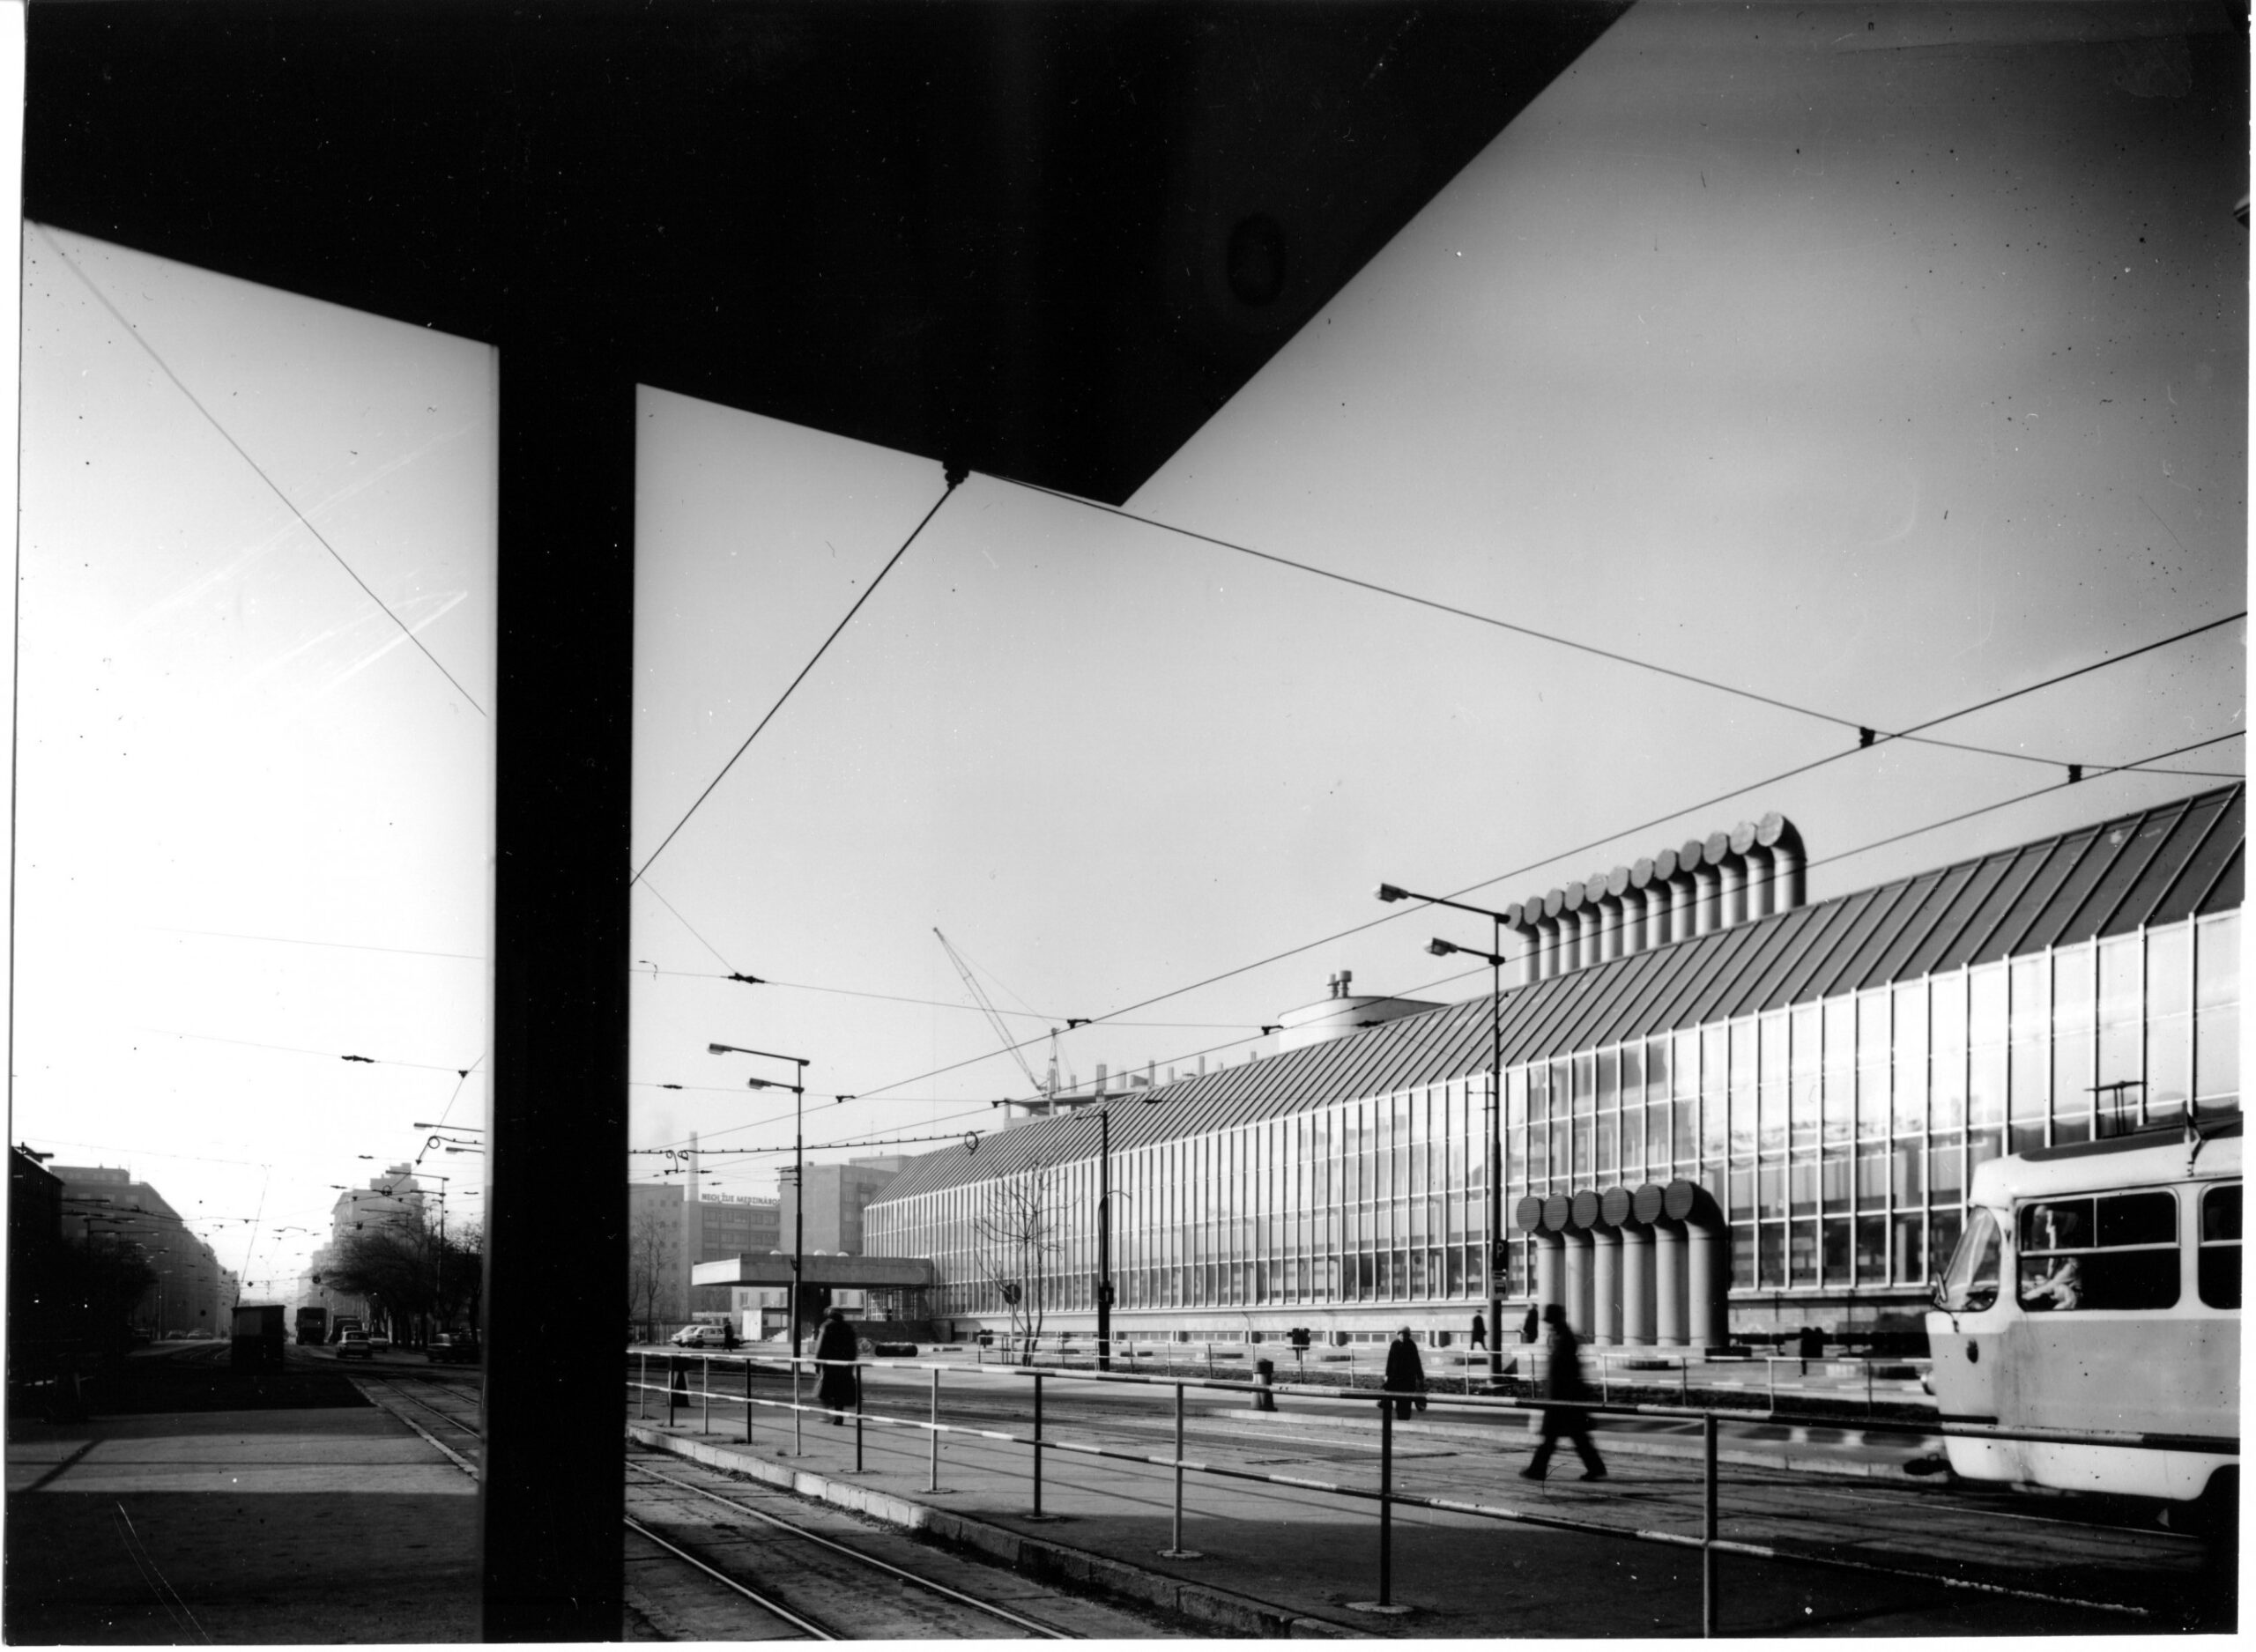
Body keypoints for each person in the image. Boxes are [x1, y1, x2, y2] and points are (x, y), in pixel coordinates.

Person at [1520, 1304, 1606, 1482]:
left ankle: (1538, 1469)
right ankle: (1595, 1467)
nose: (1548, 1325)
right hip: (1562, 1396)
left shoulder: (1564, 1338)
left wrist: (1553, 1396)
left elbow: (1563, 1371)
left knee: (1556, 1437)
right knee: (1573, 1437)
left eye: (1550, 1321)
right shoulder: (1560, 1336)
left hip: (1563, 1396)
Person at [813, 1307, 859, 1425]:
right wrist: (851, 1364)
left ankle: (827, 1413)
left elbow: (820, 1347)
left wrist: (817, 1365)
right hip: (845, 1366)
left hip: (829, 1365)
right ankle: (839, 1417)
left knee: (823, 1391)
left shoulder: (826, 1326)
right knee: (840, 1393)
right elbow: (854, 1349)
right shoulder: (848, 1328)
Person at [1383, 1326, 1427, 1421]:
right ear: (1398, 1335)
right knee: (1396, 1399)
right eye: (1400, 1335)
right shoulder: (1394, 1344)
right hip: (1395, 1377)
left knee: (1406, 1401)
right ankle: (1397, 1418)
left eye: (1404, 1335)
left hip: (1408, 1379)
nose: (1402, 1337)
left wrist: (1420, 1376)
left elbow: (1416, 1361)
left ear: (1408, 1336)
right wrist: (1387, 1374)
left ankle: (1405, 1418)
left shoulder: (1411, 1345)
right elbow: (1390, 1360)